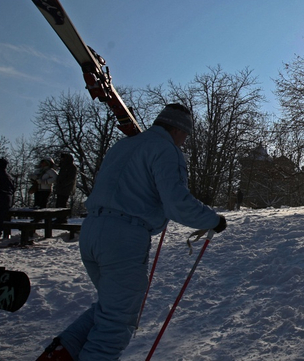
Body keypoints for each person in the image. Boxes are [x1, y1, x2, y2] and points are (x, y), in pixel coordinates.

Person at [37, 103, 228, 361]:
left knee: (110, 306)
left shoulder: (123, 145)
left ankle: (62, 352)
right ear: (177, 129)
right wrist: (213, 220)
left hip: (92, 229)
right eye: (185, 135)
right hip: (123, 237)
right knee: (116, 322)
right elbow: (176, 201)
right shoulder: (166, 149)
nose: (184, 142)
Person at [54, 152, 78, 223]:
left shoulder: (71, 167)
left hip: (66, 188)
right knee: (58, 203)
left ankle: (62, 218)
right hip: (60, 188)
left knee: (62, 203)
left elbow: (71, 178)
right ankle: (59, 217)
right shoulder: (63, 166)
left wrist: (63, 184)